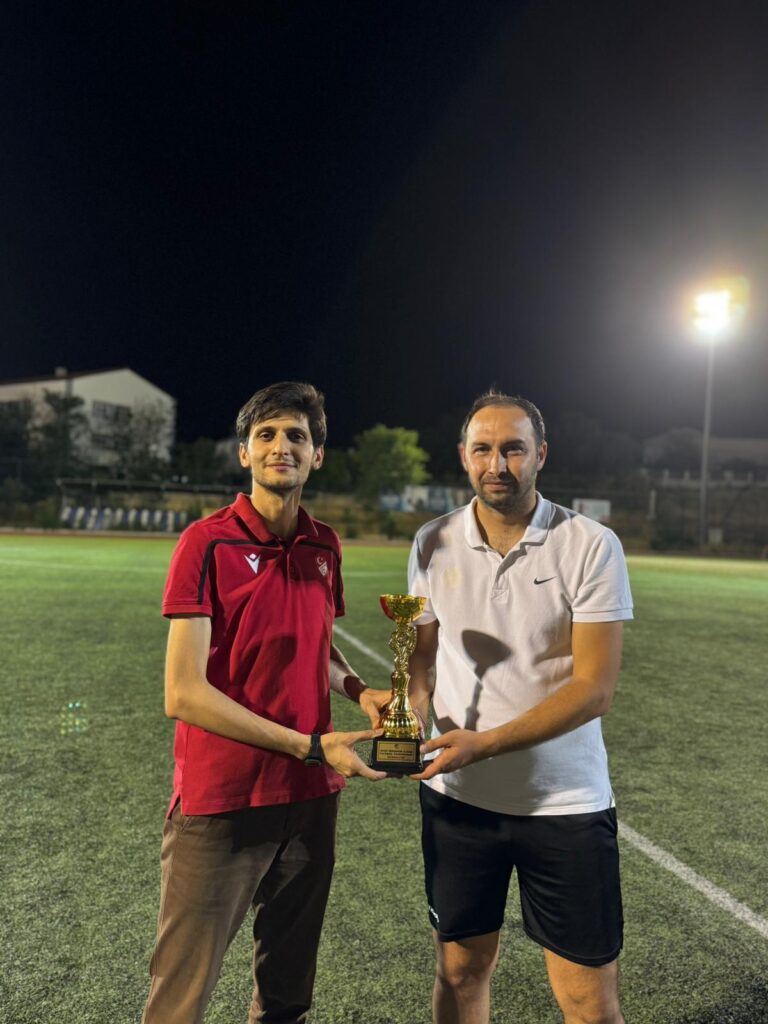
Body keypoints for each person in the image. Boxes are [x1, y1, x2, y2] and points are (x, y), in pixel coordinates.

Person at [141, 381, 389, 1024]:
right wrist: (311, 746)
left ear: (318, 456)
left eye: (297, 436)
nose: (283, 446)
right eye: (267, 435)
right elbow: (183, 692)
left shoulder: (325, 544)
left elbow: (316, 643)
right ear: (244, 453)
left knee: (286, 996)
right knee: (180, 997)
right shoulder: (206, 542)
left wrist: (358, 689)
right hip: (223, 800)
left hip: (310, 802)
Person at [406, 390, 633, 1024]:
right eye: (483, 450)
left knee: (588, 1001)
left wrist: (485, 743)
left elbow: (595, 688)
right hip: (458, 801)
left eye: (513, 449)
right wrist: (407, 712)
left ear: (540, 455)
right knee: (459, 973)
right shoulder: (431, 541)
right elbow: (421, 661)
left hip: (564, 804)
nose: (497, 465)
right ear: (463, 456)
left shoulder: (589, 544)